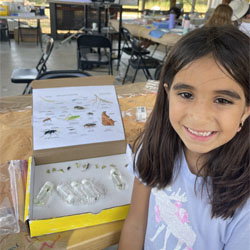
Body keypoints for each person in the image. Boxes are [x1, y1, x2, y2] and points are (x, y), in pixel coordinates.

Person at [118, 25, 250, 250]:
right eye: (186, 95)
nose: (199, 118)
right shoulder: (152, 148)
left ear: (246, 111)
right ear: (168, 94)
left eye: (223, 100)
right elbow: (136, 225)